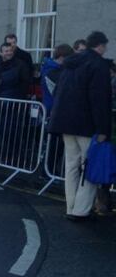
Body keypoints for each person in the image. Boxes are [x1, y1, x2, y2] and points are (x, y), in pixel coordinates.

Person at [47, 31, 111, 222]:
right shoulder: (98, 65)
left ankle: (71, 205)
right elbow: (99, 100)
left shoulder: (71, 64)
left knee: (71, 165)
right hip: (86, 123)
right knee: (89, 166)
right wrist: (102, 129)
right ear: (100, 45)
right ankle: (81, 209)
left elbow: (60, 92)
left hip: (65, 121)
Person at [40, 44, 74, 117]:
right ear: (62, 58)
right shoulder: (51, 72)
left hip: (53, 106)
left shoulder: (51, 68)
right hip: (53, 108)